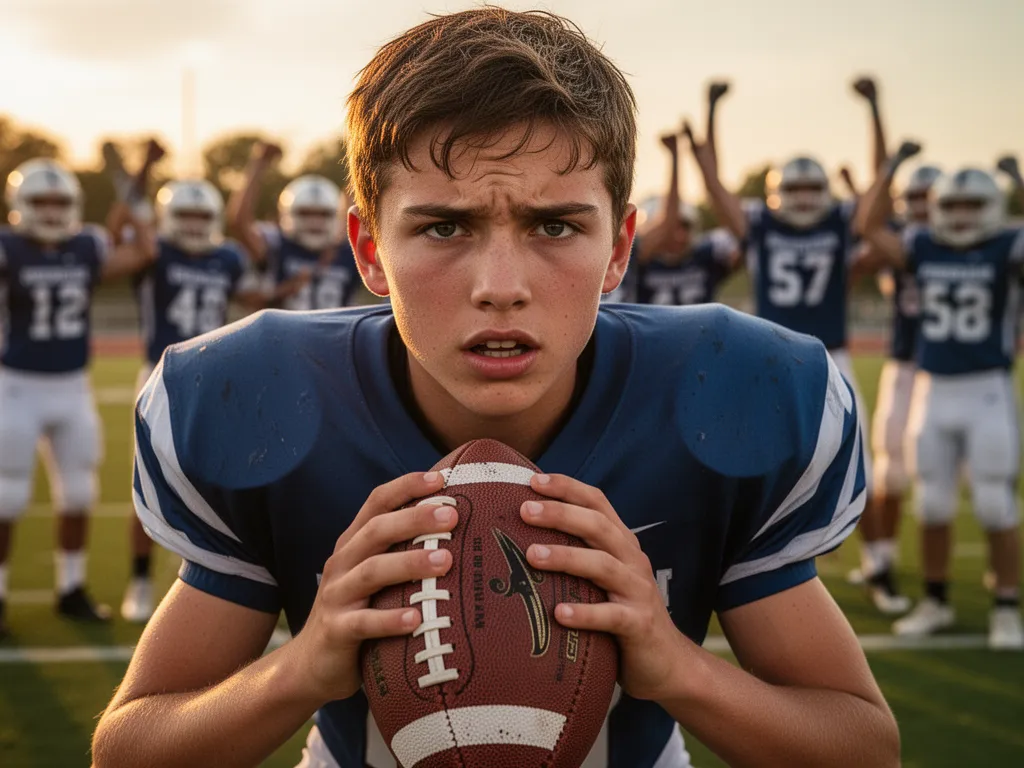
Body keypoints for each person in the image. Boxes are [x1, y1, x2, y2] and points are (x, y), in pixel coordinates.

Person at [92, 9, 898, 768]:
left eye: (555, 226)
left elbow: (863, 746)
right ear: (369, 250)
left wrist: (677, 666)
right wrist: (300, 668)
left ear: (619, 249)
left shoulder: (725, 394)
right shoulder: (267, 401)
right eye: (445, 227)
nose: (501, 287)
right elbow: (126, 749)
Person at [113, 174, 310, 623]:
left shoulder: (227, 257)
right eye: (186, 214)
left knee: (225, 487)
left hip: (216, 376)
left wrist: (282, 294)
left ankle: (217, 584)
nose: (195, 223)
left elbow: (250, 297)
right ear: (167, 217)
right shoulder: (154, 253)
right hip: (160, 376)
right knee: (149, 485)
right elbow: (120, 232)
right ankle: (139, 582)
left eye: (203, 215)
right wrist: (136, 176)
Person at [856, 142, 1024, 650]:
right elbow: (867, 226)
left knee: (994, 503)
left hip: (987, 389)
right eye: (953, 204)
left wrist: (1019, 180)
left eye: (974, 204)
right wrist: (890, 169)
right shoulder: (924, 245)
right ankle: (935, 600)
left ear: (994, 207)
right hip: (932, 390)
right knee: (931, 503)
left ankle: (1007, 607)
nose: (962, 214)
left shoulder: (1007, 246)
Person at [0, 158, 154, 638]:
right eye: (41, 202)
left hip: (72, 386)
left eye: (59, 202)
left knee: (80, 492)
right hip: (16, 385)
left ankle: (71, 588)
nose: (51, 211)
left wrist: (136, 179)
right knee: (7, 496)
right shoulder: (8, 248)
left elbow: (142, 250)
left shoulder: (85, 246)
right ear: (19, 204)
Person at [227, 142, 363, 310]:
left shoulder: (348, 251)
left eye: (323, 214)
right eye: (306, 213)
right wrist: (259, 165)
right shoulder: (277, 245)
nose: (315, 222)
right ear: (288, 213)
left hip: (338, 328)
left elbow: (351, 209)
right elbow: (239, 223)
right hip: (284, 327)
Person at [631, 130, 738, 306]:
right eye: (673, 229)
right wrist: (675, 158)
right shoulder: (638, 261)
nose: (679, 236)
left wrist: (705, 162)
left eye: (685, 227)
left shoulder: (704, 256)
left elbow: (743, 238)